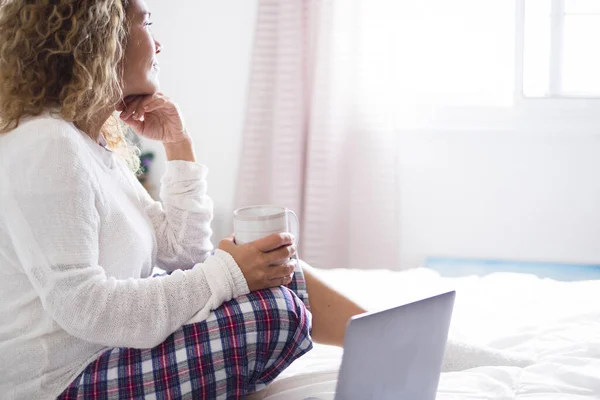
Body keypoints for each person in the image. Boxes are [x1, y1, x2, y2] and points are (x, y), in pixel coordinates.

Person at [0, 0, 365, 399]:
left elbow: (182, 251)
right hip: (63, 380)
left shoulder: (88, 143)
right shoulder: (46, 144)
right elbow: (84, 306)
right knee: (275, 311)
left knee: (275, 263)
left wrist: (179, 144)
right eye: (147, 24)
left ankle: (391, 336)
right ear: (100, 38)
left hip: (109, 346)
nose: (157, 44)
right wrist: (228, 273)